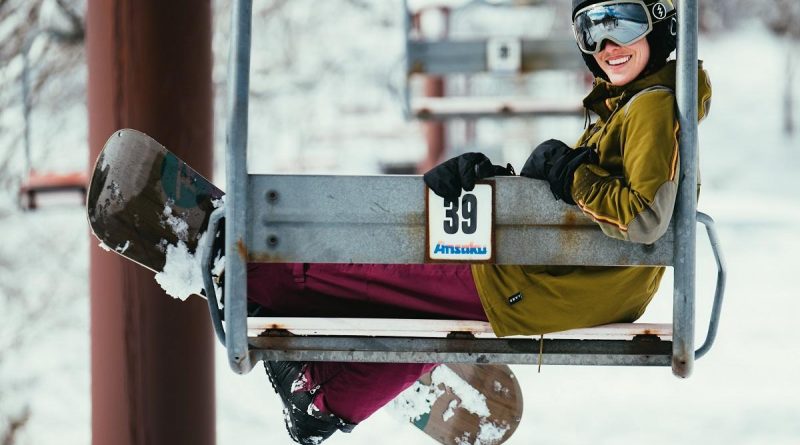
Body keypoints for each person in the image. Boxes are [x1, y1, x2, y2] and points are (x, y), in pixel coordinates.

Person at [247, 0, 712, 443]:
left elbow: (643, 216)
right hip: (568, 282)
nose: (608, 46)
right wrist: (505, 189)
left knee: (370, 262)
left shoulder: (651, 105)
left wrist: (571, 176)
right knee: (409, 302)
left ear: (660, 23)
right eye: (591, 30)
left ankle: (248, 274)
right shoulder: (630, 105)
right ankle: (325, 398)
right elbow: (586, 209)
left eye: (623, 23)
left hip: (549, 283)